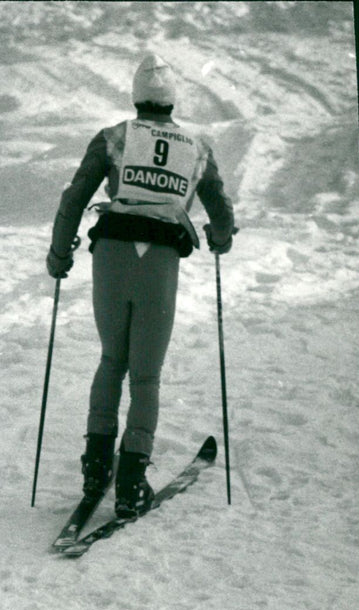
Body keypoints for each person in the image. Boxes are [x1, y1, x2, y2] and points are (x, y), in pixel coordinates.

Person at [46, 51, 236, 518]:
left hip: (110, 252)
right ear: (172, 101)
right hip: (161, 262)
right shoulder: (198, 148)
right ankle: (131, 482)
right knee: (146, 374)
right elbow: (220, 210)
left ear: (136, 97)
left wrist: (59, 254)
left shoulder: (113, 137)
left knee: (112, 359)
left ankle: (95, 469)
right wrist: (220, 237)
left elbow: (75, 198)